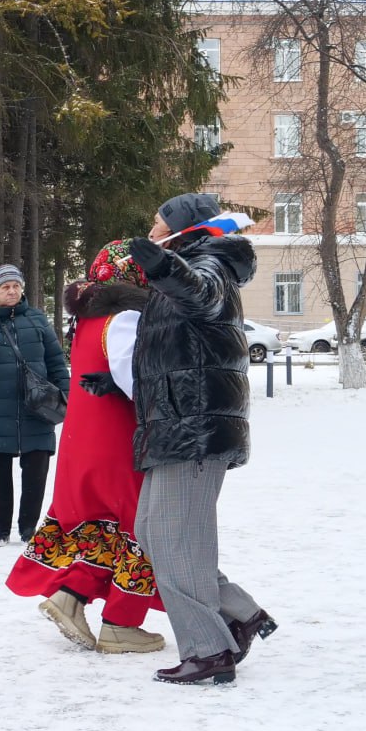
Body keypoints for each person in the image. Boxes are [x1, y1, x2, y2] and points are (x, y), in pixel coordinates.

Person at [127, 193, 276, 685]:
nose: (150, 232)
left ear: (182, 228)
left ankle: (208, 649)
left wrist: (164, 266)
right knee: (155, 533)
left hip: (193, 424)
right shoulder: (189, 262)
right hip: (174, 422)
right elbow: (175, 344)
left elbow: (201, 295)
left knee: (175, 538)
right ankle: (239, 612)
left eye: (157, 224)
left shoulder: (208, 264)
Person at [4, 240, 165, 654]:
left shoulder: (88, 318)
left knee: (101, 527)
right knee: (138, 528)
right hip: (116, 438)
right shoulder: (127, 316)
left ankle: (69, 597)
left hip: (84, 436)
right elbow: (135, 382)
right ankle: (121, 624)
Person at [0, 264, 70, 547]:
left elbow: (56, 362)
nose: (11, 291)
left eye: (15, 286)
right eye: (4, 287)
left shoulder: (36, 319)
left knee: (36, 469)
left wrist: (66, 395)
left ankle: (28, 528)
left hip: (36, 407)